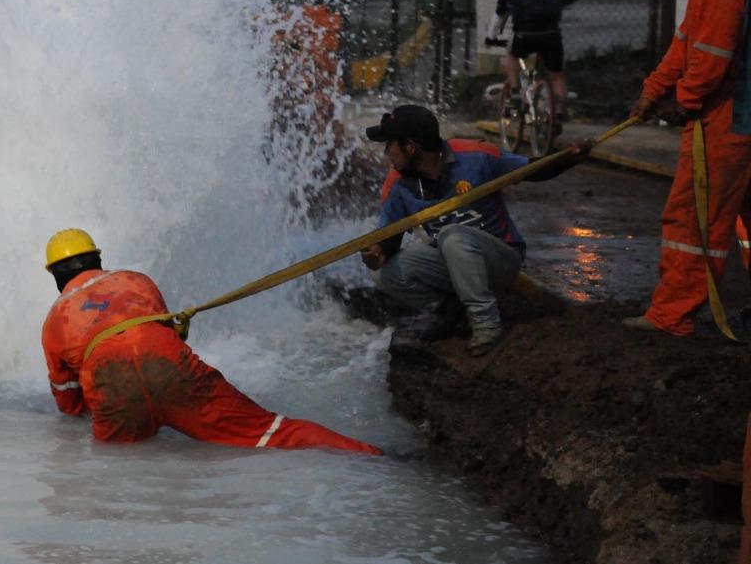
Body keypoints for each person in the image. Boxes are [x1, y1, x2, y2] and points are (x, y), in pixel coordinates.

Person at [40, 228, 381, 454]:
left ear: (55, 275)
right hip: (166, 363)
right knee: (272, 433)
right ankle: (373, 458)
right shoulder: (135, 280)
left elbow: (69, 406)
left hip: (111, 384)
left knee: (121, 466)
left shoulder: (54, 320)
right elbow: (157, 339)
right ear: (98, 259)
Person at [359, 105, 592, 356]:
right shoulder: (398, 183)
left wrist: (571, 156)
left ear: (410, 147)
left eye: (390, 144)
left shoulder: (476, 156)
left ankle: (486, 323)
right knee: (385, 275)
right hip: (453, 261)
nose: (386, 152)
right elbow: (390, 234)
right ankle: (447, 310)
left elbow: (533, 169)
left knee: (451, 235)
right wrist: (379, 252)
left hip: (500, 261)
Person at [624, 0, 751, 335]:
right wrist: (653, 91)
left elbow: (712, 55)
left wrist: (684, 103)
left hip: (724, 122)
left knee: (693, 220)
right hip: (733, 117)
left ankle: (672, 315)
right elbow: (685, 43)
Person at [488, 0, 570, 126]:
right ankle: (559, 113)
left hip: (525, 35)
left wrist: (491, 37)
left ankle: (516, 92)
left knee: (512, 56)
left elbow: (499, 17)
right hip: (551, 34)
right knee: (556, 76)